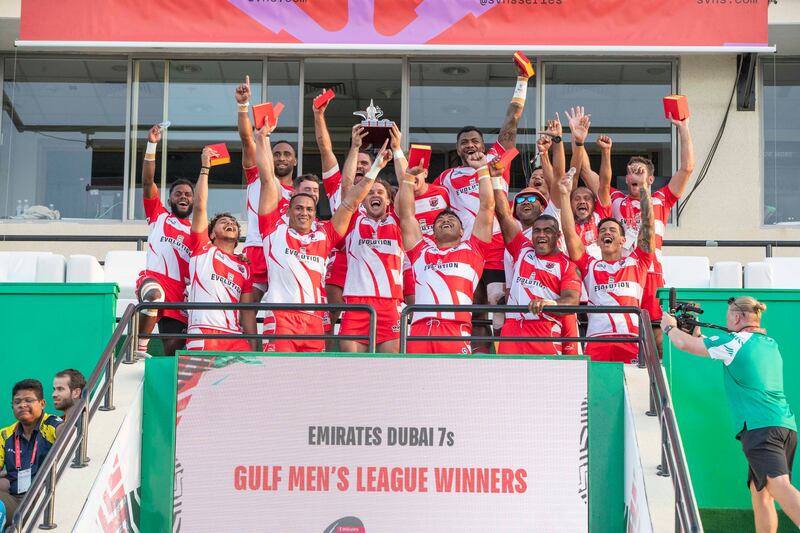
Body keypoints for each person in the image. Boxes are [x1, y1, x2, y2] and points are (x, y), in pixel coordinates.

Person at [661, 297, 800, 532]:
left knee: (778, 486)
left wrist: (668, 327)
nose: (727, 322)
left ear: (737, 318)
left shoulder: (734, 342)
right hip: (784, 426)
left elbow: (684, 345)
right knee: (761, 495)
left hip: (760, 428)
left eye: (728, 318)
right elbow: (717, 346)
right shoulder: (768, 343)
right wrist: (696, 334)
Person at [255, 119, 391, 353]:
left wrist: (376, 167)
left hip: (314, 321)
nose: (304, 213)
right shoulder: (272, 229)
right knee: (279, 380)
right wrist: (262, 139)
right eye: (298, 208)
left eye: (309, 209)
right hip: (282, 318)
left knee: (313, 382)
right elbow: (268, 179)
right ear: (287, 211)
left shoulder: (323, 234)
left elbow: (350, 203)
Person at [433, 62, 531, 350]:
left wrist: (522, 81)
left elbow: (511, 122)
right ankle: (477, 356)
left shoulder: (496, 161)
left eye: (474, 140)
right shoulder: (447, 177)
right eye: (463, 142)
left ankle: (501, 359)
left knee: (499, 304)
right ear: (458, 148)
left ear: (484, 145)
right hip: (467, 248)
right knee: (473, 305)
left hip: (500, 248)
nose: (469, 145)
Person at [598, 115, 694, 355]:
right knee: (626, 331)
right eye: (631, 172)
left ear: (650, 179)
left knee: (656, 337)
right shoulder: (616, 200)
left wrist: (683, 128)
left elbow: (687, 168)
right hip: (624, 273)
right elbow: (597, 181)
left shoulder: (661, 198)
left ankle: (657, 379)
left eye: (640, 172)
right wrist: (604, 152)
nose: (634, 176)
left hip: (650, 272)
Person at [397, 152, 495, 354]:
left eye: (452, 219)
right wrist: (408, 178)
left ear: (462, 231)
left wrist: (483, 170)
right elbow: (407, 216)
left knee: (454, 385)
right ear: (432, 232)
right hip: (419, 330)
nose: (445, 220)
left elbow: (486, 208)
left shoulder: (472, 250)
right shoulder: (421, 251)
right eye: (440, 221)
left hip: (455, 330)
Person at [557, 166, 654, 363]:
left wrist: (644, 188)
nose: (606, 232)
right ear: (598, 241)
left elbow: (648, 225)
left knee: (630, 390)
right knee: (596, 392)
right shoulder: (590, 265)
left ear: (622, 240)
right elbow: (569, 234)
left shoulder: (637, 261)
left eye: (612, 230)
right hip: (597, 339)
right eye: (602, 231)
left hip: (631, 338)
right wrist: (564, 195)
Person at [494, 184, 581, 355]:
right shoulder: (522, 248)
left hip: (544, 328)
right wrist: (496, 178)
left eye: (547, 231)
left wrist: (552, 304)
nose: (541, 235)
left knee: (545, 381)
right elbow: (503, 215)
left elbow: (572, 301)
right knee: (505, 380)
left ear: (557, 235)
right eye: (537, 231)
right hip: (512, 329)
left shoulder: (567, 265)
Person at [186, 146, 257, 352]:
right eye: (223, 222)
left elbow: (246, 312)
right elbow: (199, 205)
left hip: (234, 337)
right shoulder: (202, 247)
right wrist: (205, 168)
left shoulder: (244, 267)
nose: (230, 224)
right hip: (204, 332)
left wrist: (252, 348)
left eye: (234, 223)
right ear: (211, 233)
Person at [236, 75, 298, 301]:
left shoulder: (300, 195)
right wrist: (243, 106)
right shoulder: (256, 177)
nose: (281, 158)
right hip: (256, 248)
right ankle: (249, 339)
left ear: (295, 161)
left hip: (287, 251)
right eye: (277, 154)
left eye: (287, 154)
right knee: (246, 309)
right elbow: (246, 140)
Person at [135, 124, 193, 357]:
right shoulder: (158, 215)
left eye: (188, 194)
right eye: (178, 193)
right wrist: (152, 145)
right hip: (154, 281)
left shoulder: (199, 231)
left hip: (179, 295)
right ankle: (139, 348)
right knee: (153, 295)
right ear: (169, 198)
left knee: (173, 350)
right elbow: (148, 181)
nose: (183, 197)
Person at [0, 380, 62, 529]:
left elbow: (67, 432)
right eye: (17, 402)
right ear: (12, 407)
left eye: (29, 400)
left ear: (42, 403)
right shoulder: (5, 434)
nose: (22, 405)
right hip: (16, 499)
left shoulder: (51, 424)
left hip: (46, 496)